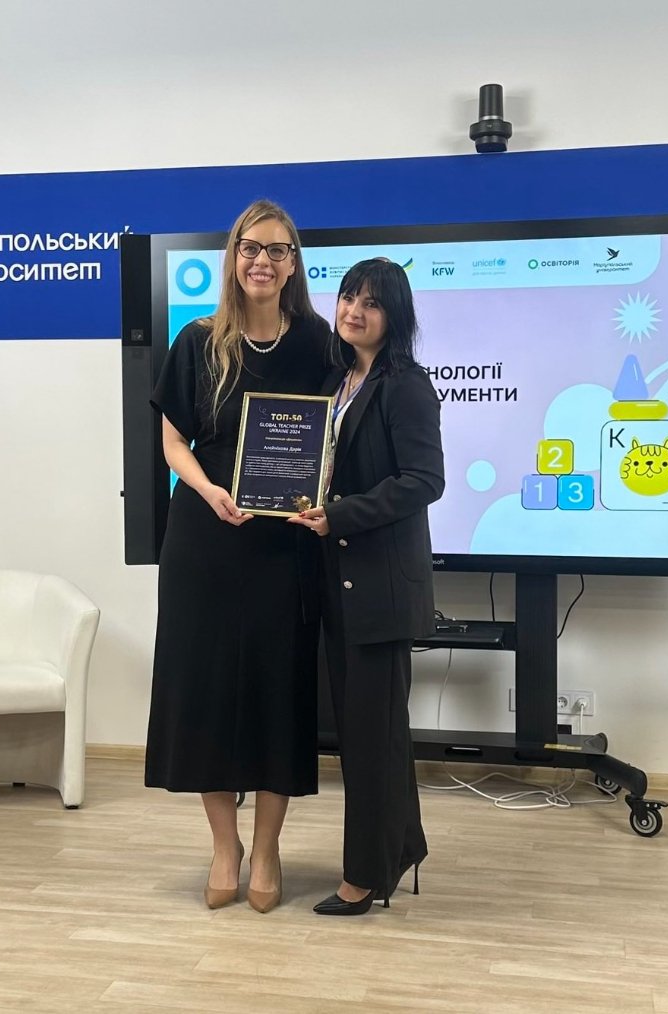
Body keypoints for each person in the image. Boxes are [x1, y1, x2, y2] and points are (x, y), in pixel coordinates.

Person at [145, 199, 331, 913]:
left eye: (278, 250)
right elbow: (172, 443)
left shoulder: (318, 342)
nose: (263, 261)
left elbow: (332, 437)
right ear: (233, 256)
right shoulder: (198, 341)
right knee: (208, 693)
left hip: (285, 543)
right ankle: (225, 847)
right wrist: (209, 490)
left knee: (279, 691)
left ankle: (269, 848)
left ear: (293, 263)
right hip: (206, 537)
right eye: (252, 248)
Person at [289, 258, 445, 915]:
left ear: (394, 316)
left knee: (372, 738)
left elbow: (424, 481)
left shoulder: (406, 385)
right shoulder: (337, 379)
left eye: (371, 303)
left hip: (380, 586)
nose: (354, 310)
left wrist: (342, 514)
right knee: (369, 734)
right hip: (337, 580)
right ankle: (400, 845)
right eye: (349, 296)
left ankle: (365, 875)